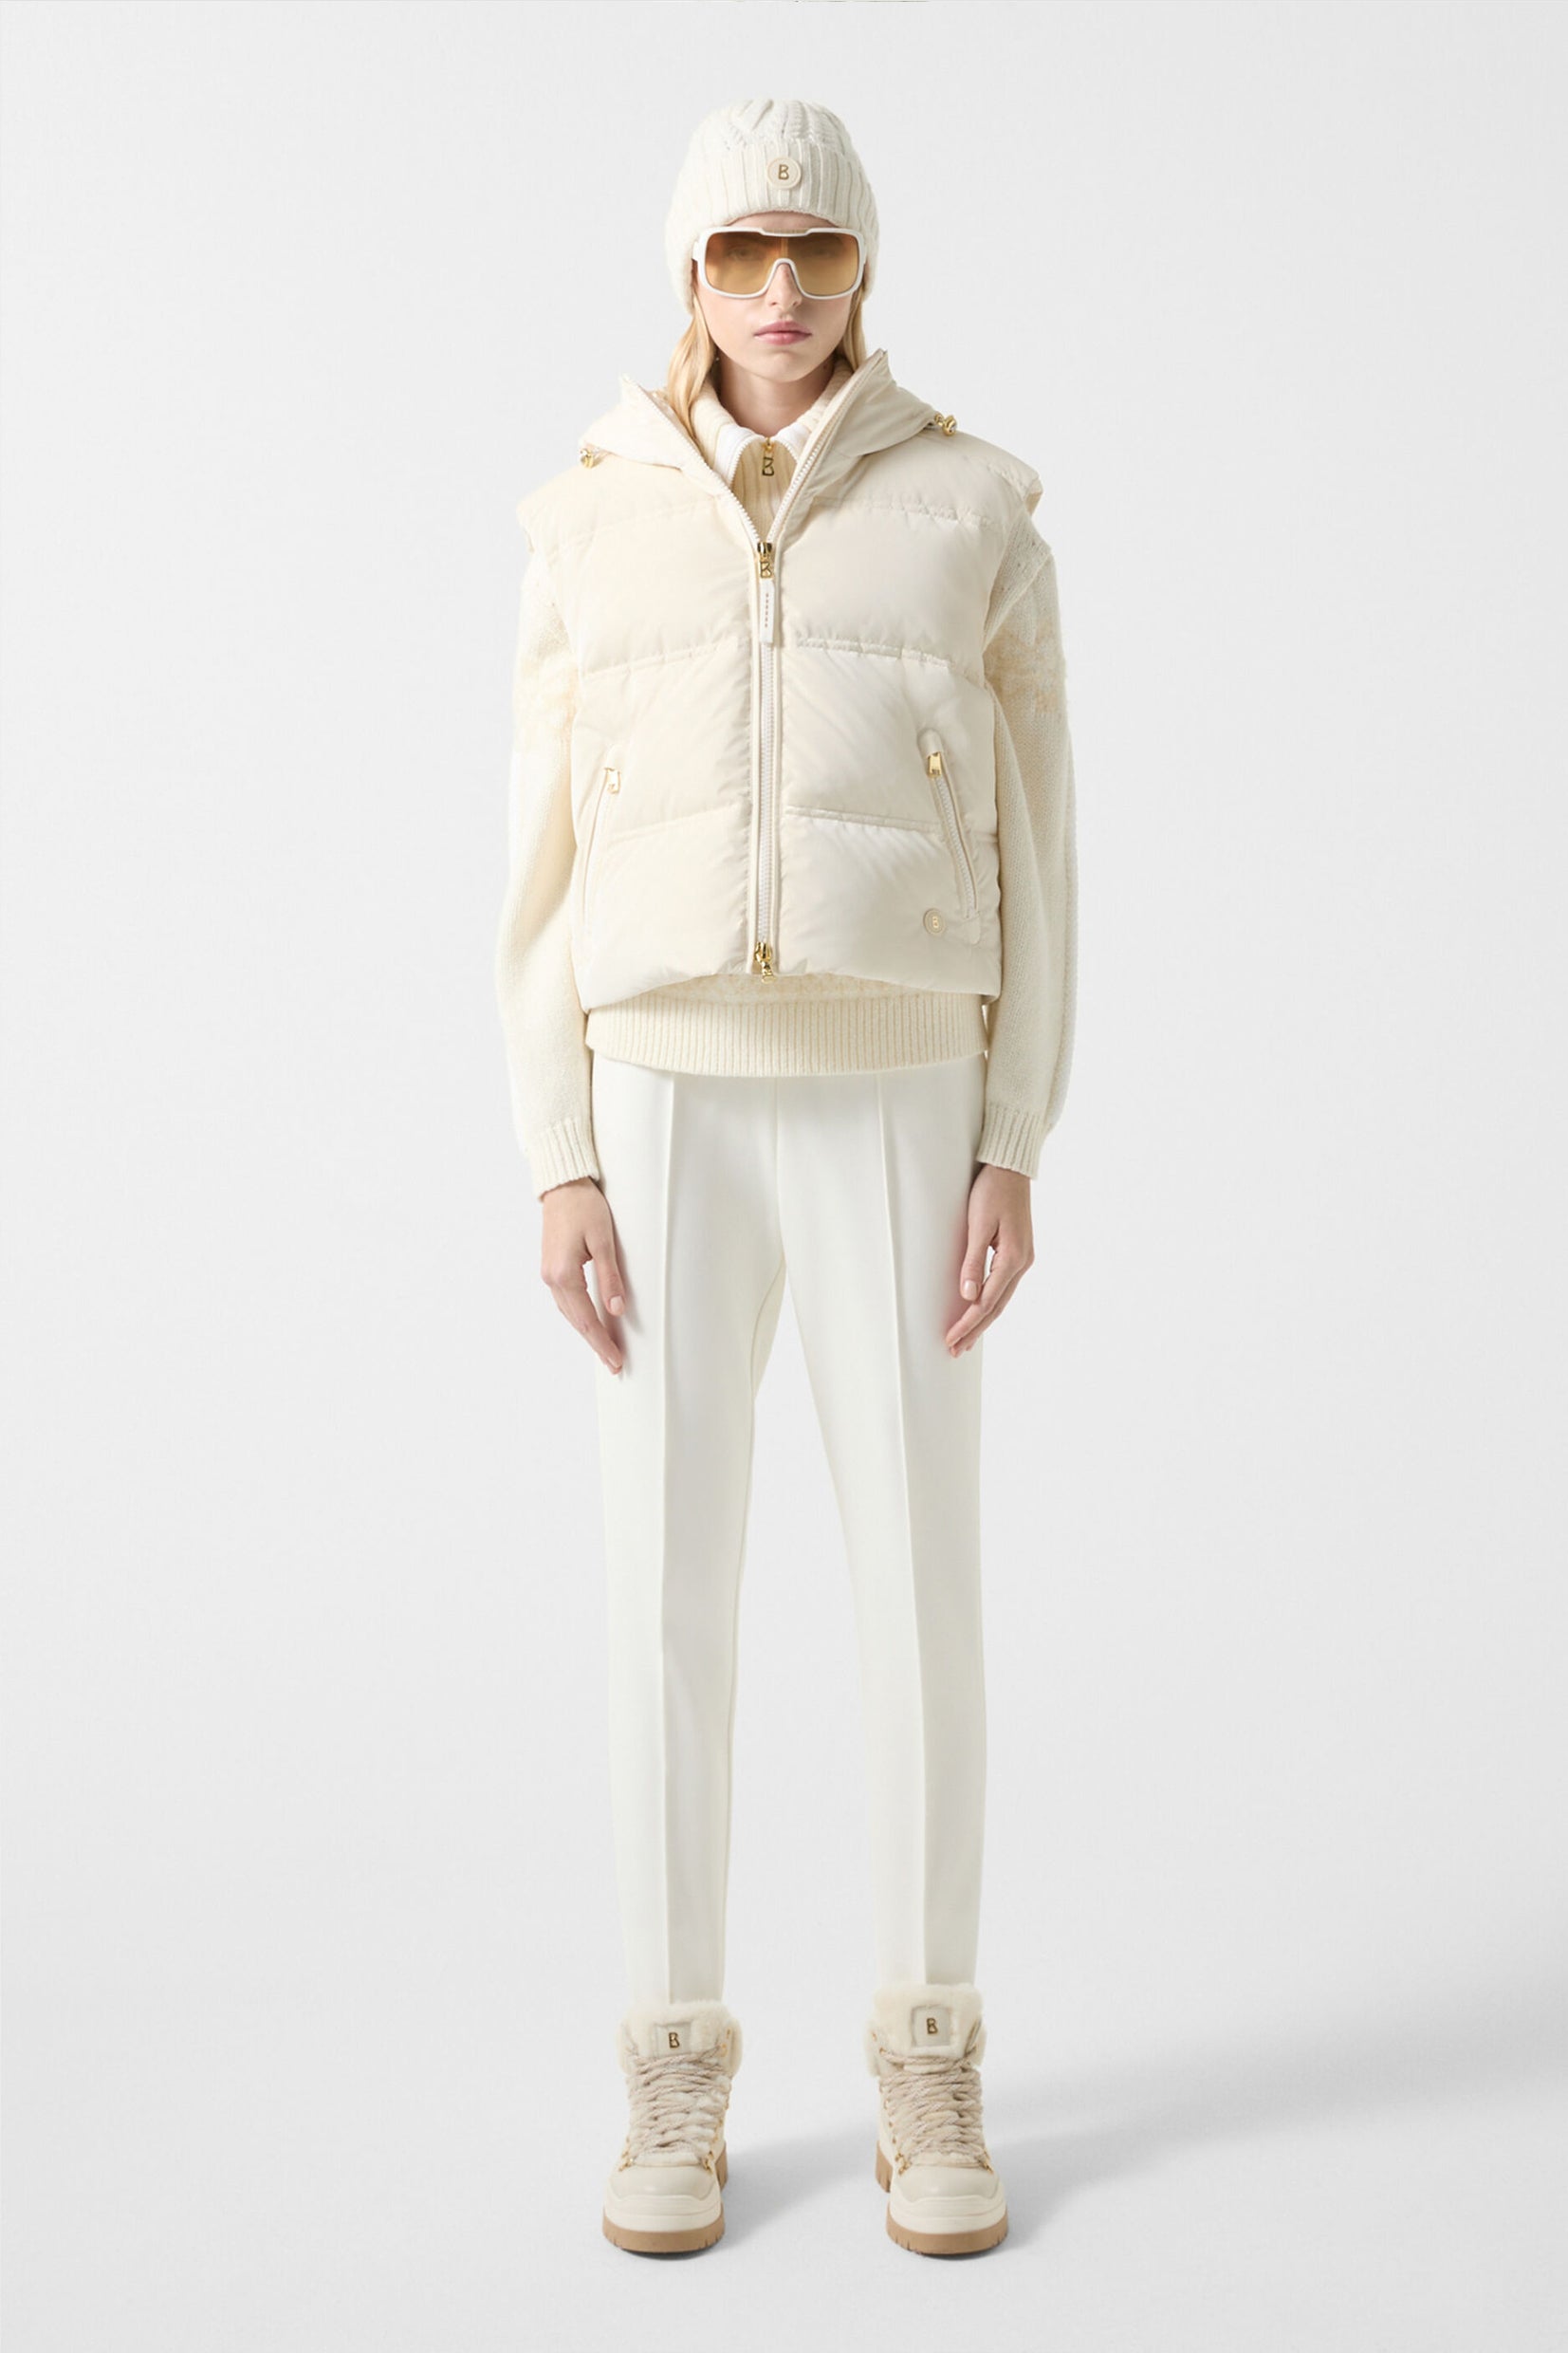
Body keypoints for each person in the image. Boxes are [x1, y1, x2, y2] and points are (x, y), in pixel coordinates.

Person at [493, 96, 1078, 2258]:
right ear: (687, 269)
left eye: (811, 250)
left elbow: (1042, 842)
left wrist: (1010, 1129)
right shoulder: (585, 519)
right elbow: (537, 862)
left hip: (902, 1085)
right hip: (660, 1095)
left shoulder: (971, 508)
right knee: (665, 1588)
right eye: (736, 252)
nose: (775, 290)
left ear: (860, 268)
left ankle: (927, 2055)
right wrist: (557, 1149)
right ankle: (672, 2067)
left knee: (921, 1581)